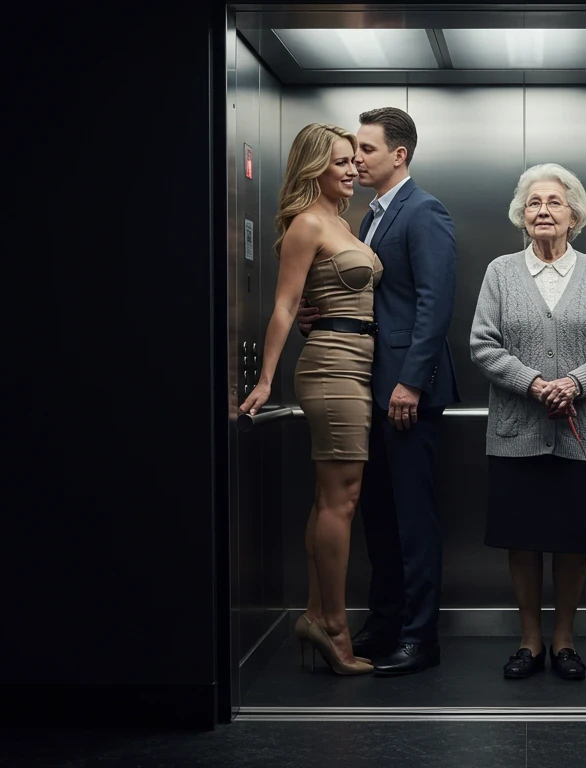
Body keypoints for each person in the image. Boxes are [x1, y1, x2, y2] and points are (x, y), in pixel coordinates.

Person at [297, 107, 459, 676]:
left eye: (366, 149)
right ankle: (385, 622)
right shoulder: (366, 218)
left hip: (405, 391)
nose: (356, 159)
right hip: (368, 386)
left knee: (413, 519)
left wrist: (410, 382)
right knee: (380, 520)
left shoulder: (423, 211)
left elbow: (434, 306)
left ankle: (421, 638)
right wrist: (319, 315)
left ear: (400, 155)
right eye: (354, 151)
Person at [469, 163, 586, 681]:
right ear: (522, 215)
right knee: (523, 539)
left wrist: (576, 384)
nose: (543, 210)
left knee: (572, 539)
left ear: (574, 215)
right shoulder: (500, 271)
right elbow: (482, 344)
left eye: (555, 202)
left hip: (582, 437)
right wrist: (537, 383)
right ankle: (529, 641)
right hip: (516, 433)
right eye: (534, 202)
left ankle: (564, 641)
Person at [240, 123, 382, 676]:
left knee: (332, 498)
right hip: (331, 367)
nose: (352, 169)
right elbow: (283, 306)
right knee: (341, 500)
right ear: (313, 168)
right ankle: (336, 626)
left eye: (354, 160)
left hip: (356, 364)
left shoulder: (341, 223)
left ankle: (315, 615)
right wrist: (265, 380)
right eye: (341, 162)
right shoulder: (307, 224)